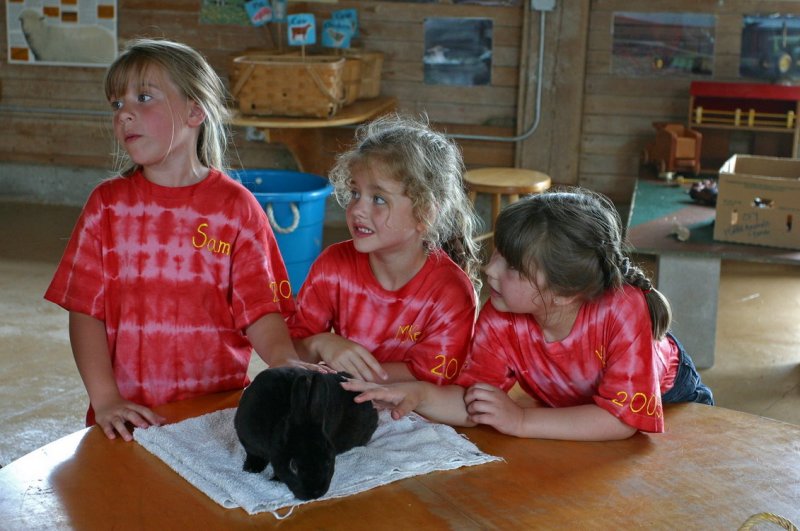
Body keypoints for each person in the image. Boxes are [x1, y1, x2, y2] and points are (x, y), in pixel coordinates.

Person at [44, 39, 300, 442]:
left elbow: (260, 310)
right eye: (116, 104)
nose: (125, 113)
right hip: (127, 421)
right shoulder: (107, 207)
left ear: (196, 110)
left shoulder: (236, 208)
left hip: (216, 418)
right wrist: (106, 398)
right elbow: (85, 313)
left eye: (143, 97)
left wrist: (285, 360)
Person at [344, 188, 714, 441]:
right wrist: (418, 395)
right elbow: (478, 402)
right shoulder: (503, 311)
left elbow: (620, 421)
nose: (491, 271)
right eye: (497, 253)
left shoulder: (623, 309)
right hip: (585, 410)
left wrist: (521, 419)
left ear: (566, 293)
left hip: (669, 399)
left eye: (514, 268)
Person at [289, 114, 482, 385]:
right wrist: (322, 343)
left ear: (424, 213)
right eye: (355, 193)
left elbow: (435, 378)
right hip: (345, 399)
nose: (357, 210)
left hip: (417, 414)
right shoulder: (332, 267)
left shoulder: (450, 292)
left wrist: (350, 374)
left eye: (378, 198)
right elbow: (291, 351)